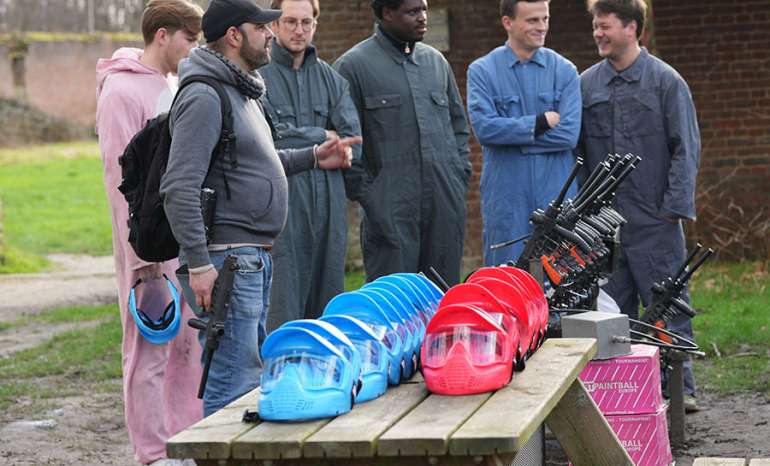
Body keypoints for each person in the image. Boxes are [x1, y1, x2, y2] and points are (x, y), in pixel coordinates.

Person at [160, 0, 360, 417]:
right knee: (233, 379)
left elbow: (258, 163)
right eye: (262, 27)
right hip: (227, 260)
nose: (271, 34)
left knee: (248, 376)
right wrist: (198, 264)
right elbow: (179, 186)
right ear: (234, 36)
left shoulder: (242, 91)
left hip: (251, 258)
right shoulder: (204, 95)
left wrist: (311, 157)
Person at [94, 1, 203, 464]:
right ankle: (153, 453)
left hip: (183, 242)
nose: (194, 49)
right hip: (148, 247)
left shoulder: (175, 84)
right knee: (148, 347)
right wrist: (143, 263)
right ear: (163, 35)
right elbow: (120, 183)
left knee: (188, 345)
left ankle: (184, 438)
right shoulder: (120, 92)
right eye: (189, 40)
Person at [578, 0, 701, 411]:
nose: (598, 33)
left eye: (605, 26)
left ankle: (679, 390)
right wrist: (585, 214)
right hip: (605, 224)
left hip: (654, 220)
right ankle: (626, 391)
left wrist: (672, 209)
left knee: (667, 302)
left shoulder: (666, 82)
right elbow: (577, 153)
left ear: (632, 28)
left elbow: (686, 148)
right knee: (612, 311)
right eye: (595, 26)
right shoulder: (586, 86)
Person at [333, 0, 471, 286]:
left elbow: (459, 128)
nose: (423, 18)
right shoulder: (353, 67)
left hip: (443, 205)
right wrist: (371, 196)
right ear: (386, 13)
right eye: (412, 12)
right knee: (394, 305)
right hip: (389, 212)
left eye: (423, 9)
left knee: (443, 299)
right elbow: (341, 142)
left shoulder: (436, 63)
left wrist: (457, 177)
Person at [260, 0, 362, 332]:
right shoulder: (257, 79)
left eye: (306, 22)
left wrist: (299, 137)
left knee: (329, 307)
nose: (299, 30)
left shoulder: (332, 80)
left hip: (329, 210)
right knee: (282, 306)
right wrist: (321, 135)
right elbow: (264, 143)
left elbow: (353, 141)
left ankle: (324, 377)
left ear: (315, 25)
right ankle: (279, 377)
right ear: (274, 26)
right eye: (290, 21)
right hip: (280, 209)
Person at [466, 0, 581, 266]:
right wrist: (539, 123)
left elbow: (568, 135)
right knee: (506, 276)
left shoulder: (564, 71)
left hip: (557, 191)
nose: (542, 27)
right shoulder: (482, 72)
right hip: (507, 195)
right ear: (508, 22)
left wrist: (513, 138)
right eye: (532, 20)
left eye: (545, 19)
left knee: (563, 277)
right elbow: (485, 129)